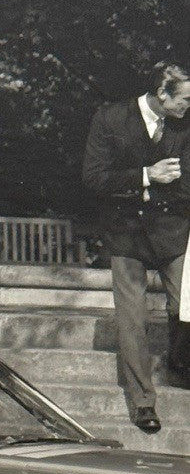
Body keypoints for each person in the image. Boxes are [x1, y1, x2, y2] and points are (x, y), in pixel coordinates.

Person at [82, 62, 190, 433]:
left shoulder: (186, 123)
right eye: (185, 99)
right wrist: (147, 175)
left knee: (186, 307)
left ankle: (179, 363)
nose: (189, 107)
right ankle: (143, 402)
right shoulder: (110, 118)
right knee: (132, 319)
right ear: (163, 94)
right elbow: (94, 178)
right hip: (125, 234)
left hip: (173, 230)